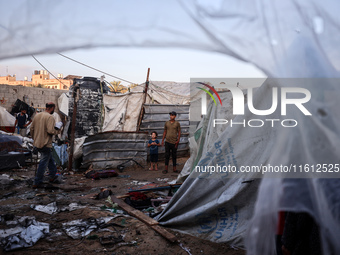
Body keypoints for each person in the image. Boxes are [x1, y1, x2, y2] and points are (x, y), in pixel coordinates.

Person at [30, 102, 62, 188]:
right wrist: (58, 130)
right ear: (52, 108)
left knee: (49, 158)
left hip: (37, 143)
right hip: (45, 143)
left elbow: (31, 128)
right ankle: (37, 181)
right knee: (43, 162)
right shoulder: (50, 117)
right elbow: (50, 131)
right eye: (53, 109)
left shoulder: (37, 115)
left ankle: (52, 174)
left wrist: (35, 138)